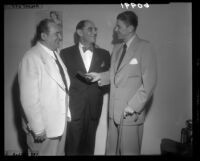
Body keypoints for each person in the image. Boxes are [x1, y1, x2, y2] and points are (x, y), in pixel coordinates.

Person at [87, 11, 157, 155]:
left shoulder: (145, 47)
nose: (115, 29)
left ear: (130, 28)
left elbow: (150, 82)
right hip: (113, 113)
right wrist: (99, 76)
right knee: (111, 151)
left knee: (129, 152)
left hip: (130, 115)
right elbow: (113, 74)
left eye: (118, 26)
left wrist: (133, 106)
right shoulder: (117, 48)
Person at [18, 18, 70, 156]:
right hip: (44, 128)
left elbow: (63, 88)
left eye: (60, 33)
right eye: (56, 34)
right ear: (43, 36)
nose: (60, 37)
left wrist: (67, 114)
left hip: (58, 124)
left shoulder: (55, 54)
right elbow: (29, 98)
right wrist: (38, 128)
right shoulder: (31, 57)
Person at [60, 20, 110, 155]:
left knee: (89, 146)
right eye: (90, 29)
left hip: (94, 108)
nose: (95, 32)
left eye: (95, 29)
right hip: (74, 108)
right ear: (79, 32)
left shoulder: (105, 54)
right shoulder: (65, 54)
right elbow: (61, 83)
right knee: (72, 146)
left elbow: (110, 79)